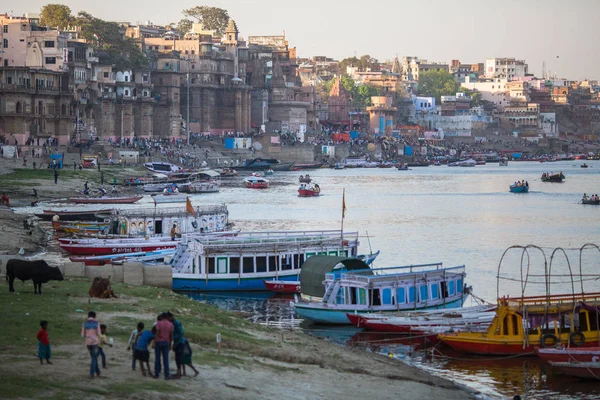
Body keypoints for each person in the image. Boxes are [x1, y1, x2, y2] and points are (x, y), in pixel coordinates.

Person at [154, 312, 174, 380]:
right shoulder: (170, 324)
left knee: (157, 359)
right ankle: (166, 375)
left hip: (159, 342)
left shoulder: (159, 323)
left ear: (162, 317)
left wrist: (154, 342)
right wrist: (170, 344)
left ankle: (156, 374)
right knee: (166, 359)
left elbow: (157, 333)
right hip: (166, 342)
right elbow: (171, 335)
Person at [81, 311, 102, 379]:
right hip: (95, 342)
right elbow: (99, 333)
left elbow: (82, 335)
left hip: (88, 343)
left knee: (93, 358)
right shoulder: (97, 323)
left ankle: (98, 372)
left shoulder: (85, 324)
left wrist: (88, 335)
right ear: (94, 316)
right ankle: (92, 374)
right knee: (94, 358)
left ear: (88, 316)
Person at [166, 312, 186, 377]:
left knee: (178, 358)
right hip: (177, 342)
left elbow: (181, 333)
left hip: (180, 342)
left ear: (171, 317)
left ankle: (179, 373)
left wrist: (173, 338)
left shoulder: (177, 323)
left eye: (168, 318)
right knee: (177, 358)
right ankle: (178, 372)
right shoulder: (172, 323)